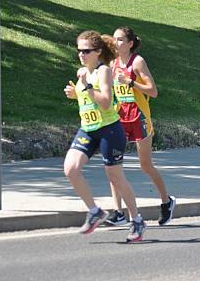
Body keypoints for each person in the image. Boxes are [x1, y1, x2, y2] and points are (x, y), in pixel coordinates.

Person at [63, 30, 146, 242]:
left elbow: (106, 102)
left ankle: (136, 219)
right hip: (88, 128)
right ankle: (95, 211)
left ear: (98, 52)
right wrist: (76, 94)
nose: (81, 54)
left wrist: (87, 86)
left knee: (115, 177)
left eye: (86, 51)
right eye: (79, 50)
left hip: (110, 129)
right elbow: (87, 99)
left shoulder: (103, 72)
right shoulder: (83, 71)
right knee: (70, 169)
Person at [105, 26, 176, 227]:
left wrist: (130, 82)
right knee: (113, 165)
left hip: (139, 117)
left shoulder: (137, 62)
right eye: (114, 39)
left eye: (120, 40)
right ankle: (118, 212)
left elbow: (153, 91)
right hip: (120, 117)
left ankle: (166, 201)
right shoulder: (112, 63)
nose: (116, 42)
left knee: (145, 165)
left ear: (129, 43)